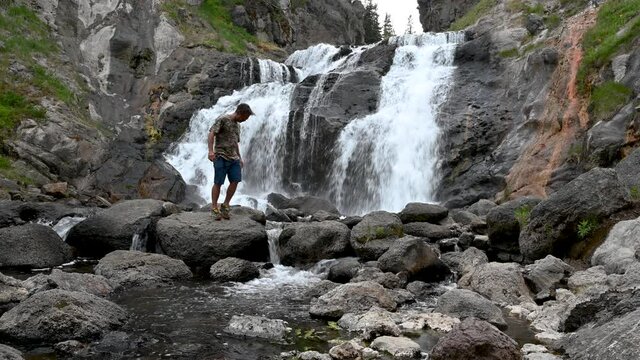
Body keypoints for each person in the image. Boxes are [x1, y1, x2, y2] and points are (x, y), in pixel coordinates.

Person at [207, 103, 254, 220]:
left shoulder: (238, 126)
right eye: (245, 117)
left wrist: (240, 157)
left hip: (234, 158)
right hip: (220, 155)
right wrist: (210, 151)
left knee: (235, 180)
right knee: (218, 182)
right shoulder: (223, 119)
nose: (245, 120)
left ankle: (225, 205)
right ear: (239, 113)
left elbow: (235, 142)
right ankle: (214, 208)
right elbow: (212, 133)